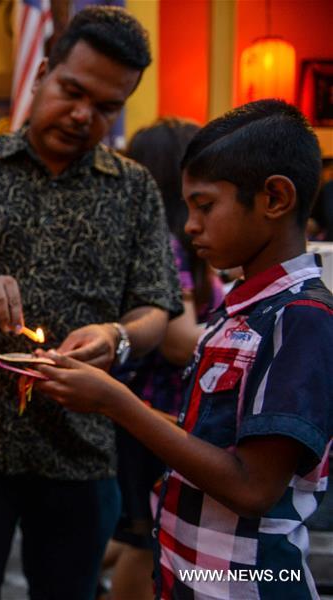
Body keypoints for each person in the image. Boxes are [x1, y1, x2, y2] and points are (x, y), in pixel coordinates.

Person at [0, 6, 182, 599]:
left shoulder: (133, 190)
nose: (84, 116)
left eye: (106, 107)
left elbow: (157, 309)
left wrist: (117, 337)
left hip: (80, 446)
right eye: (72, 91)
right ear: (42, 72)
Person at [34, 99, 332, 599]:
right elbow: (209, 442)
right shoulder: (239, 309)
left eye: (205, 205)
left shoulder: (301, 320)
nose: (190, 225)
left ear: (275, 198)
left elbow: (252, 487)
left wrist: (114, 400)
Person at [105, 118, 224, 600]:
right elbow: (178, 342)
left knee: (134, 531)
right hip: (153, 416)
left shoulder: (177, 241)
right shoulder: (167, 243)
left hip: (155, 415)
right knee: (146, 540)